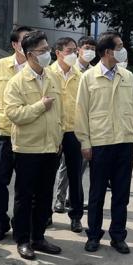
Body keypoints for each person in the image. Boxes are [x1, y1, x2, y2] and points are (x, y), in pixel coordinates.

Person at [75, 31, 133, 254]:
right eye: (119, 46)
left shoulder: (127, 76)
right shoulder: (89, 77)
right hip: (100, 143)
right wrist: (85, 142)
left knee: (122, 194)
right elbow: (81, 112)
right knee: (97, 194)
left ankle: (118, 236)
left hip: (124, 142)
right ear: (107, 52)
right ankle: (93, 235)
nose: (123, 50)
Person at [4, 30, 64, 260]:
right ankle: (22, 239)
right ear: (30, 54)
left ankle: (38, 237)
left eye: (47, 49)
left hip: (50, 147)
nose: (48, 53)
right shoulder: (17, 82)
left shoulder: (53, 77)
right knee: (24, 196)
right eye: (43, 50)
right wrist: (40, 106)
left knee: (45, 196)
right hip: (28, 149)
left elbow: (60, 111)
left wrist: (58, 137)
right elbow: (14, 114)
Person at [0, 25, 32, 241]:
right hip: (4, 132)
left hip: (29, 134)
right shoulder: (1, 65)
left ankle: (21, 225)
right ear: (15, 44)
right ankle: (1, 222)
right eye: (25, 40)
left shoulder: (39, 68)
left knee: (25, 185)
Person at [53, 35, 96, 213]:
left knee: (76, 170)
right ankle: (58, 200)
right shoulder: (50, 73)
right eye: (86, 48)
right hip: (54, 129)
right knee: (57, 169)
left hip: (76, 128)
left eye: (93, 49)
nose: (90, 52)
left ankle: (75, 209)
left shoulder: (86, 74)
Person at [50, 37, 85, 233]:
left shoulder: (80, 76)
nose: (74, 54)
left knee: (75, 176)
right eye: (69, 51)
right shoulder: (48, 74)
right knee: (47, 175)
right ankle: (45, 215)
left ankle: (76, 216)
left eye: (75, 50)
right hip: (53, 131)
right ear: (58, 53)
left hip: (73, 131)